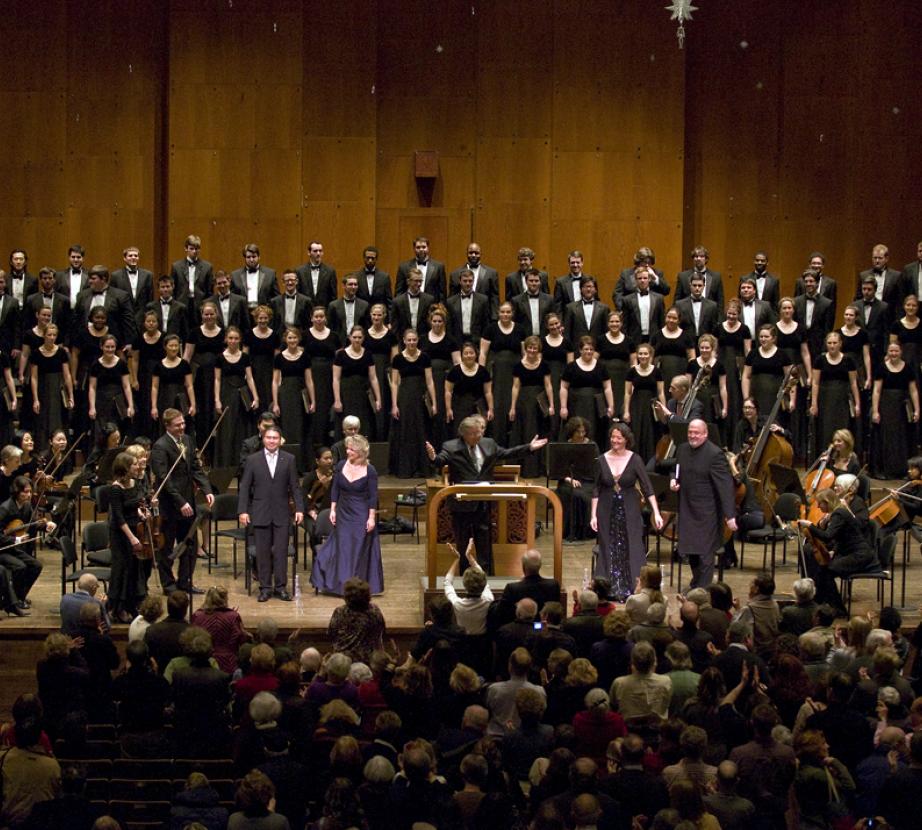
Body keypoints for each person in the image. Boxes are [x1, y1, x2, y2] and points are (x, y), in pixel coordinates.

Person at [425, 415, 548, 574]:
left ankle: (487, 578)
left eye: (480, 432)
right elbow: (440, 460)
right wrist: (433, 457)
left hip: (483, 503)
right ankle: (465, 579)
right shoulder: (451, 446)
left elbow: (507, 453)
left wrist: (529, 448)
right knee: (463, 546)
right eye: (475, 433)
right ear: (465, 434)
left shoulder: (488, 443)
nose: (479, 435)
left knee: (485, 546)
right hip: (461, 505)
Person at [590, 423, 664, 600]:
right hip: (606, 509)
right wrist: (593, 515)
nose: (615, 440)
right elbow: (595, 489)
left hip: (629, 508)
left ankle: (635, 587)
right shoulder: (601, 460)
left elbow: (647, 488)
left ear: (626, 440)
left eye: (619, 438)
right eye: (613, 437)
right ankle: (607, 587)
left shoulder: (635, 459)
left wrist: (656, 512)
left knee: (632, 545)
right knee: (608, 546)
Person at [149, 408, 214, 594]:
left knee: (190, 546)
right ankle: (168, 585)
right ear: (167, 426)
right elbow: (164, 479)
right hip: (170, 507)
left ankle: (185, 582)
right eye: (178, 425)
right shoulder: (160, 447)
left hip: (189, 504)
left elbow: (195, 468)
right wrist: (181, 502)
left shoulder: (187, 440)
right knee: (167, 548)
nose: (182, 427)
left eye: (183, 423)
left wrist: (206, 489)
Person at [311, 434, 384, 596]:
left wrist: (371, 517)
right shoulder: (341, 465)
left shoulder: (370, 471)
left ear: (361, 452)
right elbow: (335, 489)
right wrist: (332, 509)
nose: (348, 451)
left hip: (360, 513)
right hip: (343, 512)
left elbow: (373, 496)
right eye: (348, 448)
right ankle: (341, 585)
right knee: (343, 547)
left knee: (357, 548)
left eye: (351, 449)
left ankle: (355, 586)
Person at [239, 425, 304, 602]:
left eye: (275, 438)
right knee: (262, 552)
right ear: (263, 439)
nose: (272, 441)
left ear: (280, 440)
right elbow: (245, 486)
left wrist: (299, 508)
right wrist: (243, 510)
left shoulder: (289, 459)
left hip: (282, 512)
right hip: (260, 512)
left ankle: (281, 587)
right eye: (269, 437)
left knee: (281, 552)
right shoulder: (253, 460)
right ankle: (265, 588)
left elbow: (295, 487)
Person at [671, 419, 737, 588]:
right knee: (690, 550)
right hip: (687, 507)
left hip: (707, 511)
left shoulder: (715, 454)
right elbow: (675, 469)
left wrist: (730, 515)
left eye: (696, 433)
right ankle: (696, 583)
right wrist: (673, 480)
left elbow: (725, 485)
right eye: (690, 432)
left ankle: (703, 588)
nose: (692, 436)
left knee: (705, 554)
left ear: (705, 434)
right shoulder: (682, 449)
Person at [799, 487, 879, 614]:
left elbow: (828, 536)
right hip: (851, 552)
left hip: (860, 555)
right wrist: (834, 551)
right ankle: (822, 603)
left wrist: (810, 525)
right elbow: (841, 538)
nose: (819, 507)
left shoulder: (839, 514)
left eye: (820, 503)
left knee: (827, 570)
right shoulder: (838, 513)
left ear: (827, 502)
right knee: (822, 570)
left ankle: (836, 608)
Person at [106, 451, 153, 623]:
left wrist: (142, 513)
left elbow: (137, 504)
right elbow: (118, 517)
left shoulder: (135, 482)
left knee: (134, 569)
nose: (137, 466)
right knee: (122, 570)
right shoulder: (116, 488)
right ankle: (117, 608)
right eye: (134, 464)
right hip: (121, 533)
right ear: (125, 467)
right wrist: (132, 538)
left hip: (137, 527)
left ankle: (131, 605)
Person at [389, 328, 438, 478]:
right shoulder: (397, 359)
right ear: (404, 341)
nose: (411, 342)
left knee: (421, 430)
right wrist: (394, 405)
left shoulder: (424, 357)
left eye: (414, 340)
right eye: (408, 340)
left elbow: (429, 381)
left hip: (419, 398)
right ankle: (405, 469)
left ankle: (422, 468)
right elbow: (395, 383)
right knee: (405, 431)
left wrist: (434, 402)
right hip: (404, 399)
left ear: (417, 340)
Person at [478, 301, 526, 447]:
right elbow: (483, 353)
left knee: (514, 405)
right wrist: (481, 372)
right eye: (503, 312)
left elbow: (524, 354)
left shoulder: (520, 329)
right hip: (497, 374)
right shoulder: (490, 329)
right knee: (497, 407)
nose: (505, 315)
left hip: (515, 373)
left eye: (508, 312)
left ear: (512, 313)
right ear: (498, 313)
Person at [0, 475, 50, 612]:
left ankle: (19, 597)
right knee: (20, 567)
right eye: (25, 492)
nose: (28, 495)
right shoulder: (5, 509)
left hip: (13, 549)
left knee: (36, 565)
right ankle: (10, 600)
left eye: (29, 491)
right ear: (17, 492)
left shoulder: (27, 506)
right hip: (3, 549)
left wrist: (46, 526)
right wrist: (15, 540)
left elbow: (32, 524)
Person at [214, 325, 260, 468]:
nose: (233, 341)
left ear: (240, 340)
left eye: (236, 338)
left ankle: (241, 462)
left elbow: (250, 378)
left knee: (242, 427)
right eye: (230, 338)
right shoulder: (220, 357)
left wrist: (256, 397)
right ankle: (226, 463)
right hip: (226, 394)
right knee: (227, 429)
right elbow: (217, 379)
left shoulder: (245, 357)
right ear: (226, 339)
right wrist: (217, 399)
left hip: (242, 395)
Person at [872, 340, 919, 478]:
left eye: (896, 351)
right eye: (891, 351)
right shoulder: (881, 368)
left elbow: (913, 390)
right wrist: (875, 410)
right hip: (886, 406)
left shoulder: (908, 368)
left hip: (902, 407)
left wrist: (917, 410)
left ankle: (903, 470)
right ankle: (885, 471)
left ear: (901, 352)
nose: (893, 354)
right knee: (887, 438)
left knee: (902, 438)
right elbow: (877, 391)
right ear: (888, 352)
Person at [509, 335, 554, 477]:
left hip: (539, 403)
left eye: (535, 348)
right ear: (526, 348)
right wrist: (512, 407)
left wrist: (552, 405)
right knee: (524, 433)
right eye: (530, 347)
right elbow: (515, 387)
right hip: (523, 403)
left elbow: (548, 385)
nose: (532, 350)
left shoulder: (544, 365)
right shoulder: (518, 366)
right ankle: (525, 469)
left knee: (540, 432)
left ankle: (538, 469)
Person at [559, 335, 614, 442]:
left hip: (597, 407)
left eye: (591, 349)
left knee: (596, 433)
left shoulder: (601, 366)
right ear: (580, 350)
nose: (589, 351)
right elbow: (563, 387)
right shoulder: (571, 366)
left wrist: (611, 406)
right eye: (586, 349)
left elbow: (607, 387)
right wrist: (563, 407)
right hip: (576, 405)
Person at [332, 325, 382, 441]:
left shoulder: (368, 354)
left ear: (363, 338)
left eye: (359, 337)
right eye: (354, 337)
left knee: (364, 424)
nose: (357, 340)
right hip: (346, 395)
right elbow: (336, 379)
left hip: (363, 396)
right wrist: (337, 400)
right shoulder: (341, 355)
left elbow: (373, 378)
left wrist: (378, 398)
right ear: (350, 338)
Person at [271, 326, 313, 460]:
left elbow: (309, 380)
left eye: (295, 337)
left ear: (299, 339)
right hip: (285, 396)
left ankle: (300, 462)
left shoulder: (305, 356)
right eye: (290, 337)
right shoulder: (279, 357)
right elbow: (275, 381)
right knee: (287, 428)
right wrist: (276, 403)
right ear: (285, 339)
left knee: (301, 428)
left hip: (300, 396)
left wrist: (313, 400)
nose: (292, 340)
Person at [556, 417, 599, 541]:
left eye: (583, 432)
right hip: (568, 480)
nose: (581, 435)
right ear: (572, 432)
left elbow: (597, 466)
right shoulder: (565, 446)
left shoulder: (592, 445)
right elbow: (558, 469)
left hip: (588, 481)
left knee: (586, 495)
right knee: (573, 494)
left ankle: (586, 532)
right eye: (578, 432)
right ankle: (571, 532)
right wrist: (569, 479)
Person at [190, 585, 248, 673]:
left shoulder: (197, 616)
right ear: (225, 600)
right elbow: (241, 639)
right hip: (229, 664)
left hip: (203, 663)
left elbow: (191, 640)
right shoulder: (233, 617)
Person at [623, 342, 665, 462]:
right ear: (637, 355)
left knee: (651, 433)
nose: (643, 356)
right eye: (640, 354)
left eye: (645, 354)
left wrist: (664, 410)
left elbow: (661, 392)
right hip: (636, 406)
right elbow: (628, 393)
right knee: (637, 432)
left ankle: (650, 463)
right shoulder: (631, 371)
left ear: (650, 355)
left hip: (652, 406)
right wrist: (626, 411)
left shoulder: (657, 372)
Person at [328, 577, 386, 663]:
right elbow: (382, 631)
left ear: (347, 597)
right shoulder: (375, 611)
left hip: (343, 662)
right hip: (369, 662)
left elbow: (331, 635)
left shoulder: (339, 612)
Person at [444, 341, 493, 436]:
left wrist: (490, 409)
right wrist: (448, 409)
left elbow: (488, 392)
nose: (469, 355)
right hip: (459, 407)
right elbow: (448, 392)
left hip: (478, 407)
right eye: (465, 353)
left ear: (476, 354)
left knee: (479, 434)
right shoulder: (455, 371)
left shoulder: (483, 371)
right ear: (461, 355)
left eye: (471, 353)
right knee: (460, 434)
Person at [244, 305, 279, 420]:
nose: (262, 320)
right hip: (253, 371)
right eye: (260, 318)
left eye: (265, 318)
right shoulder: (249, 334)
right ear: (256, 319)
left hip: (269, 371)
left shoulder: (274, 335)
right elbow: (244, 356)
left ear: (269, 319)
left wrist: (277, 375)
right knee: (254, 398)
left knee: (268, 398)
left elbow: (277, 358)